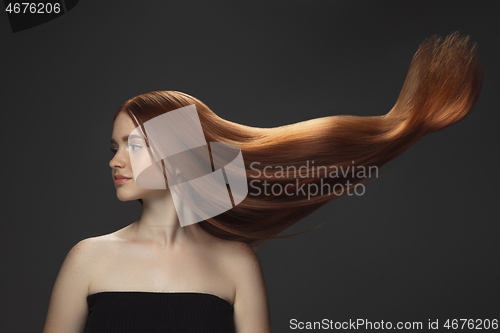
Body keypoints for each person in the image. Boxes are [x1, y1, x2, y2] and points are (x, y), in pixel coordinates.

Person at [42, 31, 482, 333]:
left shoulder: (235, 265)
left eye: (132, 145)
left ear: (179, 153)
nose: (116, 160)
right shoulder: (87, 259)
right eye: (114, 147)